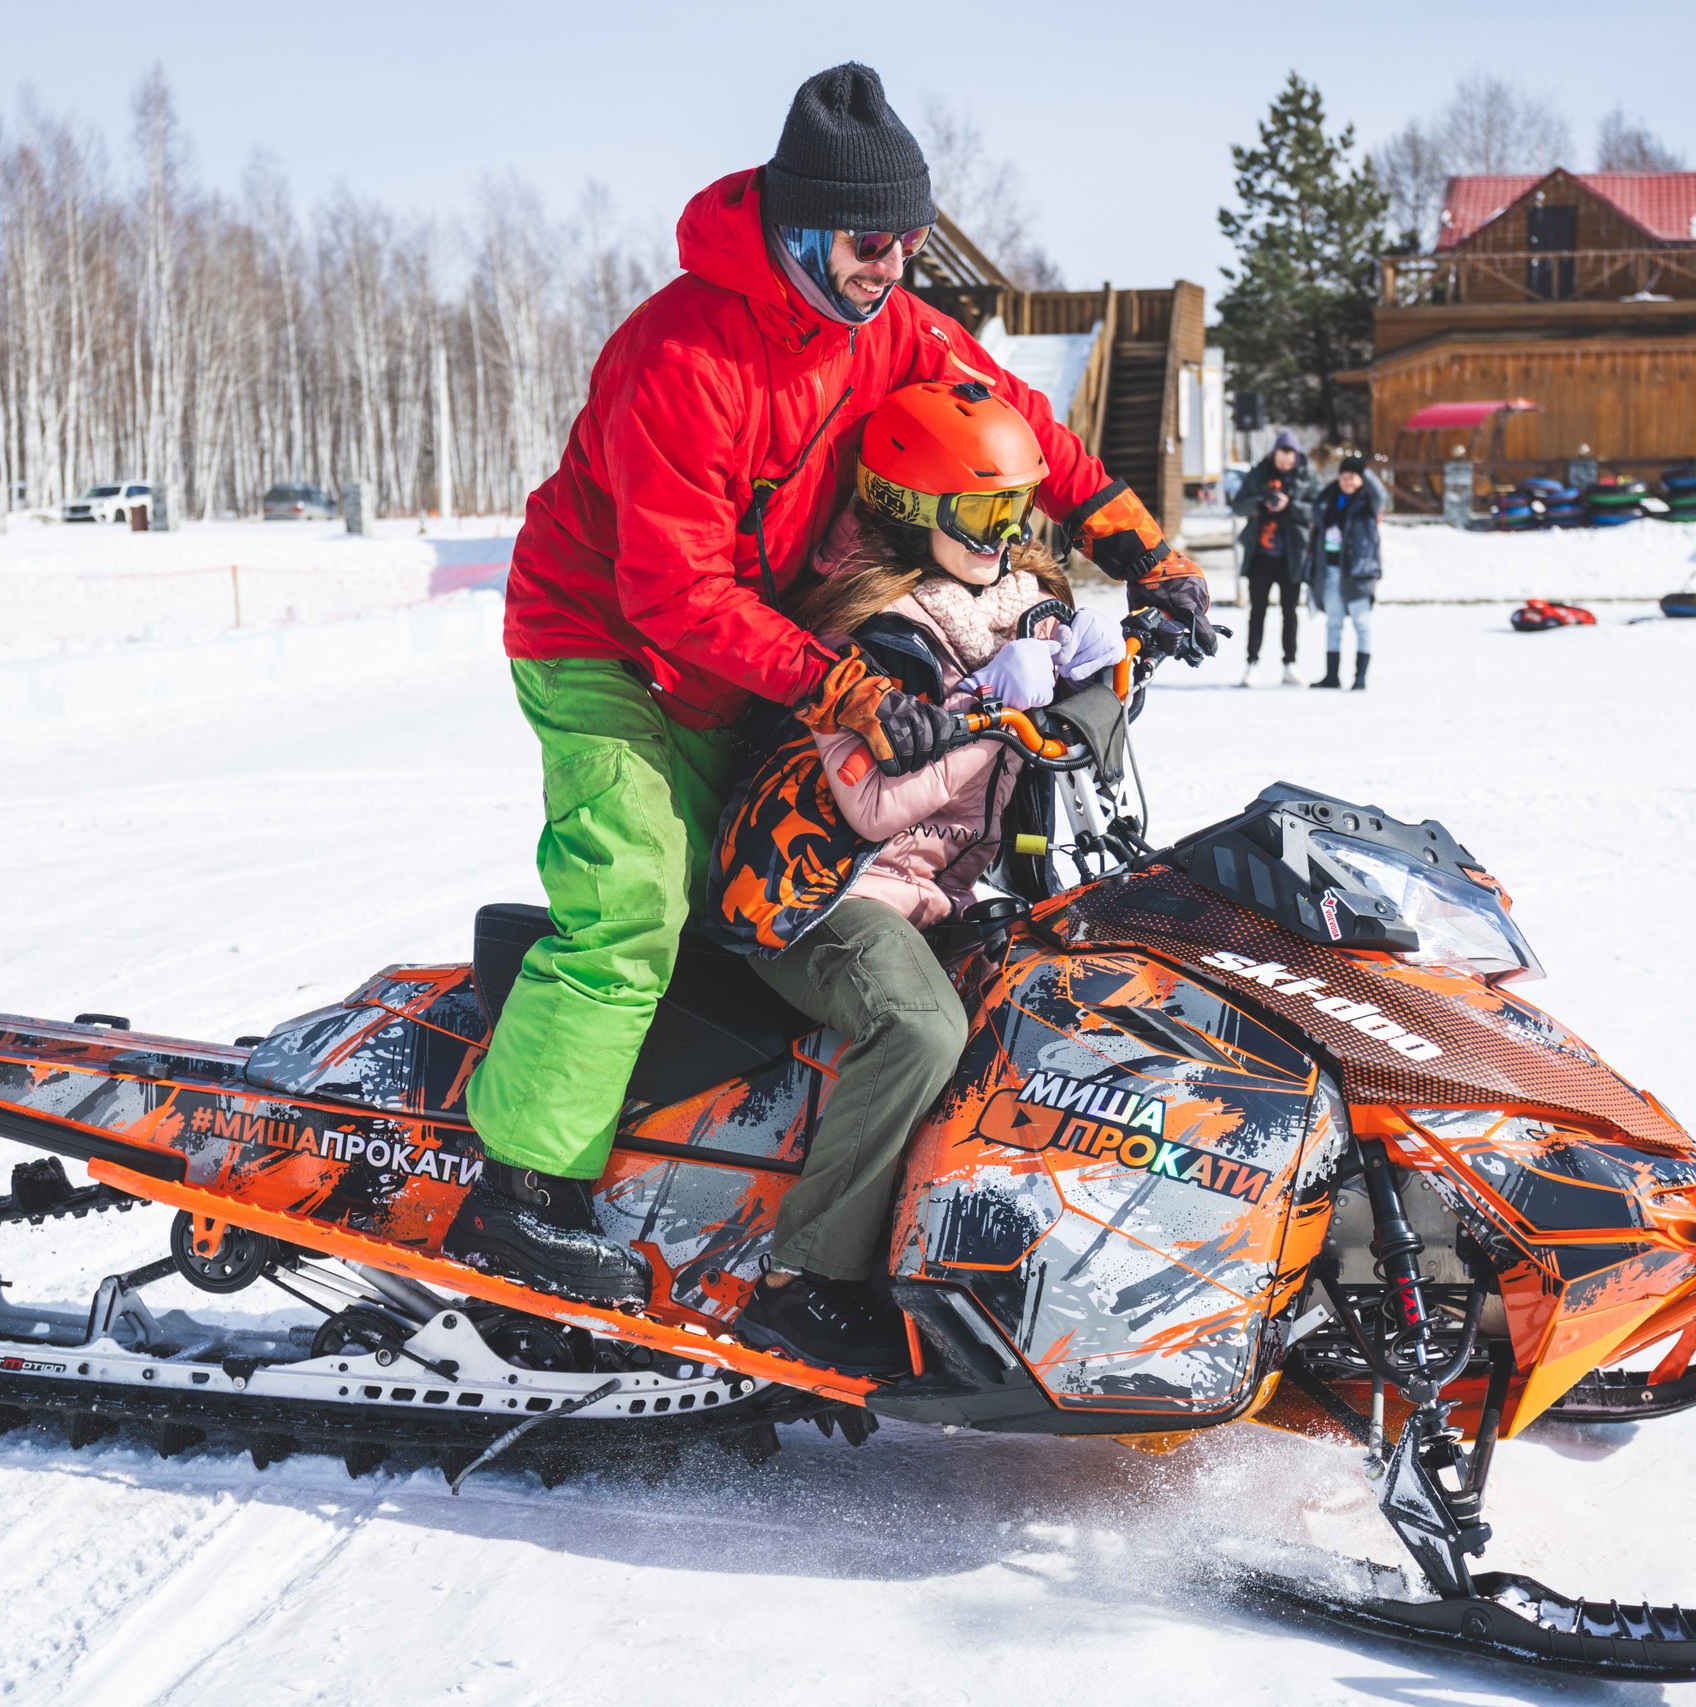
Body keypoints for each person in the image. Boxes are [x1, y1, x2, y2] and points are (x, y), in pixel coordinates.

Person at [448, 62, 1213, 1309]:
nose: (893, 262)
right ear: (800, 226)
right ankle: (522, 1186)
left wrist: (1142, 548)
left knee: (745, 904)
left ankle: (697, 1163)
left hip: (751, 651)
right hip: (605, 645)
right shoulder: (682, 354)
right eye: (871, 239)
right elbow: (673, 593)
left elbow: (1028, 434)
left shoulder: (888, 327)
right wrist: (841, 686)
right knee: (635, 906)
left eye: (908, 238)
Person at [707, 382, 1128, 1371]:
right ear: (908, 509)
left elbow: (1057, 752)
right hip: (818, 894)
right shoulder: (871, 631)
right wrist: (989, 714)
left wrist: (1105, 682)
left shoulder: (1014, 599)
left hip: (936, 887)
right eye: (977, 513)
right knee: (921, 1026)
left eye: (1012, 510)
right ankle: (802, 1280)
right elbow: (873, 808)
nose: (999, 534)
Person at [1230, 430, 1318, 686]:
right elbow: (1238, 505)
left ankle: (1290, 664)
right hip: (1260, 555)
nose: (1285, 465)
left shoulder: (1307, 475)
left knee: (1290, 613)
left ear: (1297, 457)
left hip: (1292, 556)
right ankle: (1251, 664)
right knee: (1257, 612)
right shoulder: (1259, 473)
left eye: (1290, 461)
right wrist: (1261, 503)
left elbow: (1319, 509)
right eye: (1281, 459)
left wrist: (1291, 505)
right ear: (1274, 454)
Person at [1309, 455, 1383, 691]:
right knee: (1333, 623)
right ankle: (1332, 675)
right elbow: (1316, 509)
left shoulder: (1368, 502)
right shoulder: (1330, 499)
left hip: (1358, 572)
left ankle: (1360, 677)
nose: (1347, 481)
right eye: (1343, 476)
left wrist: (1365, 471)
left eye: (1353, 477)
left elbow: (1381, 495)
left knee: (1362, 624)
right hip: (1330, 569)